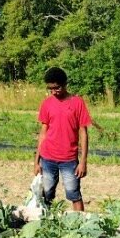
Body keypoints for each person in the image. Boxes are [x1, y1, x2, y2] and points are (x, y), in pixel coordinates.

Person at [34, 67, 104, 212]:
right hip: (48, 158)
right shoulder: (47, 103)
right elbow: (43, 133)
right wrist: (37, 161)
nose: (54, 92)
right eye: (50, 89)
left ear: (65, 84)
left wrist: (83, 161)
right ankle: (45, 222)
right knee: (46, 194)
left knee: (74, 194)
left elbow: (83, 133)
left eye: (57, 88)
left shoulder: (77, 103)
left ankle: (80, 226)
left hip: (69, 160)